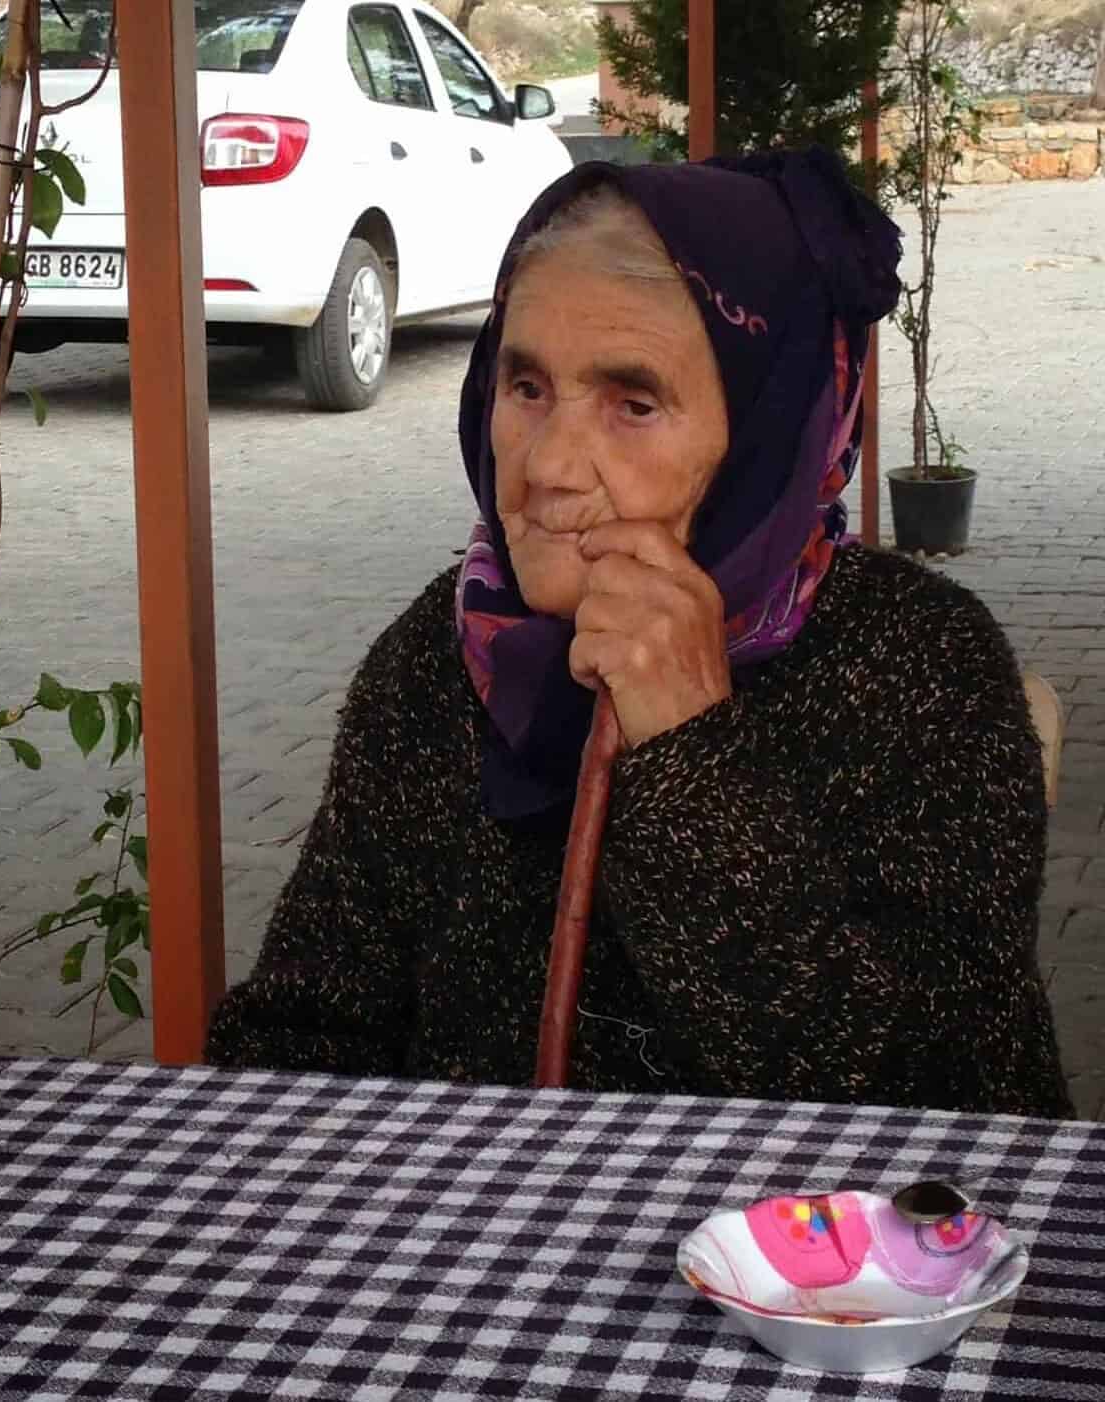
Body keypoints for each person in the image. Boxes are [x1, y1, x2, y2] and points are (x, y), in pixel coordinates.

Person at [206, 149, 1071, 1119]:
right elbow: (296, 1037)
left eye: (635, 403)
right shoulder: (438, 659)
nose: (548, 468)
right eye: (527, 388)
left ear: (769, 434)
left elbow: (960, 1102)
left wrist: (689, 747)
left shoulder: (923, 669)